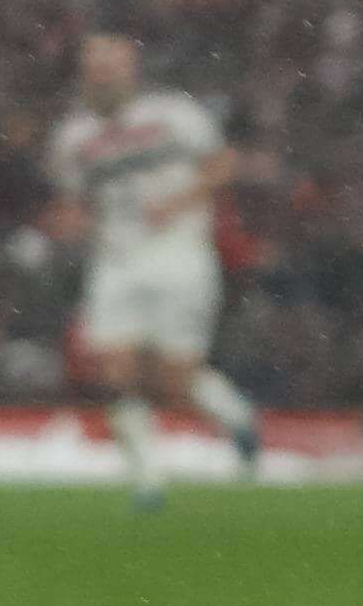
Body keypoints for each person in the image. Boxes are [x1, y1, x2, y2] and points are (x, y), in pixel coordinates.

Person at [44, 33, 260, 509]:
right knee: (114, 370)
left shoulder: (174, 114)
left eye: (112, 64)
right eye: (94, 65)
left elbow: (222, 165)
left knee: (173, 381)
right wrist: (70, 222)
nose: (103, 73)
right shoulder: (72, 137)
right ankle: (148, 480)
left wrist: (178, 202)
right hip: (116, 262)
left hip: (180, 254)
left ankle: (238, 416)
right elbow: (73, 201)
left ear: (131, 70)